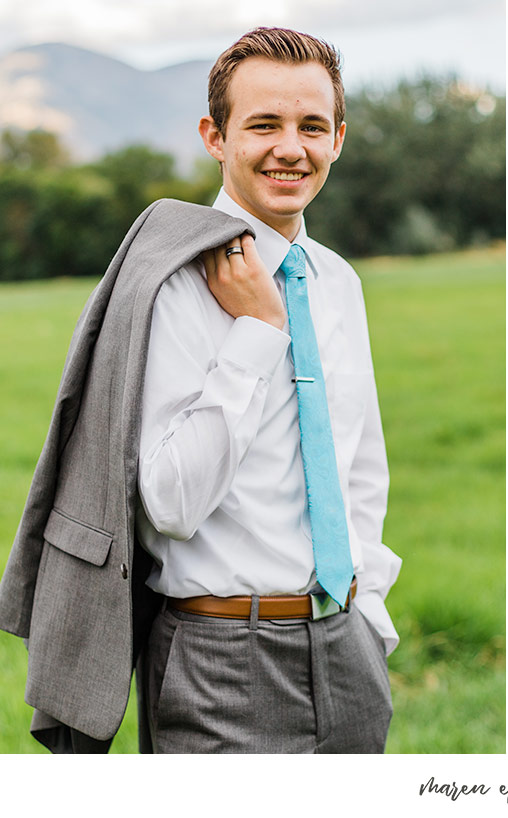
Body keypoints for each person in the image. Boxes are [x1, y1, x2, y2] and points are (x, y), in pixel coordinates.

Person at [0, 27, 400, 753]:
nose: (291, 148)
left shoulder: (338, 280)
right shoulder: (173, 283)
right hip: (221, 662)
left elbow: (359, 466)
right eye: (264, 125)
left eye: (312, 126)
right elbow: (171, 504)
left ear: (339, 137)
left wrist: (369, 617)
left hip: (348, 655)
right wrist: (255, 331)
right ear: (215, 137)